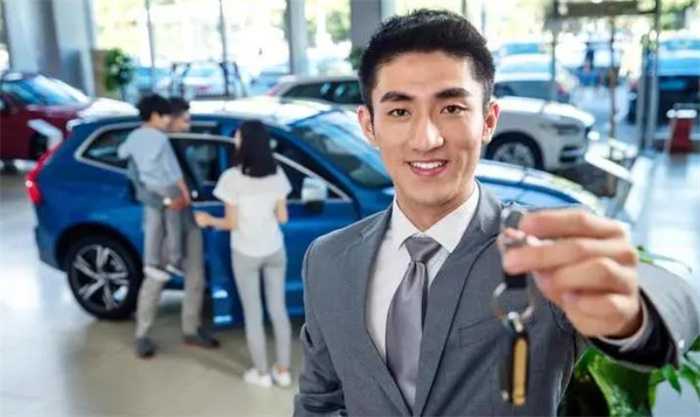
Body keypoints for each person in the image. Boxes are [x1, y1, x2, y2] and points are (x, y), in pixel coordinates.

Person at [293, 10, 700, 417]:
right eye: (400, 112)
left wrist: (635, 315)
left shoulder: (539, 250)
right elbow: (320, 400)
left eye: (451, 108)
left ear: (488, 120)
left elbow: (680, 300)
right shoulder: (328, 260)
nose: (426, 139)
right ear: (369, 125)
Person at [195, 120, 293, 388]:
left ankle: (261, 374)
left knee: (253, 314)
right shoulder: (277, 173)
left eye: (238, 137)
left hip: (246, 253)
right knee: (278, 310)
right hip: (274, 249)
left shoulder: (231, 178)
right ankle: (283, 372)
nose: (235, 141)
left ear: (245, 143)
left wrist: (208, 220)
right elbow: (283, 217)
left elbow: (231, 223)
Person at [121, 95, 220, 358]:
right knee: (155, 275)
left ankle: (191, 329)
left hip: (190, 216)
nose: (189, 124)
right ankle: (142, 335)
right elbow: (139, 187)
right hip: (164, 215)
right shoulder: (148, 144)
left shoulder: (186, 143)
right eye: (184, 119)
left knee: (196, 275)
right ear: (168, 118)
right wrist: (166, 202)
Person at [118, 94, 188, 280]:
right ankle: (174, 261)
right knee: (173, 226)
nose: (168, 120)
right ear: (155, 116)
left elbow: (121, 153)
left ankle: (151, 263)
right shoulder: (160, 139)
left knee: (153, 227)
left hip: (148, 186)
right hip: (167, 186)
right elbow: (172, 169)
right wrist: (184, 192)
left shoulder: (134, 136)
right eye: (166, 116)